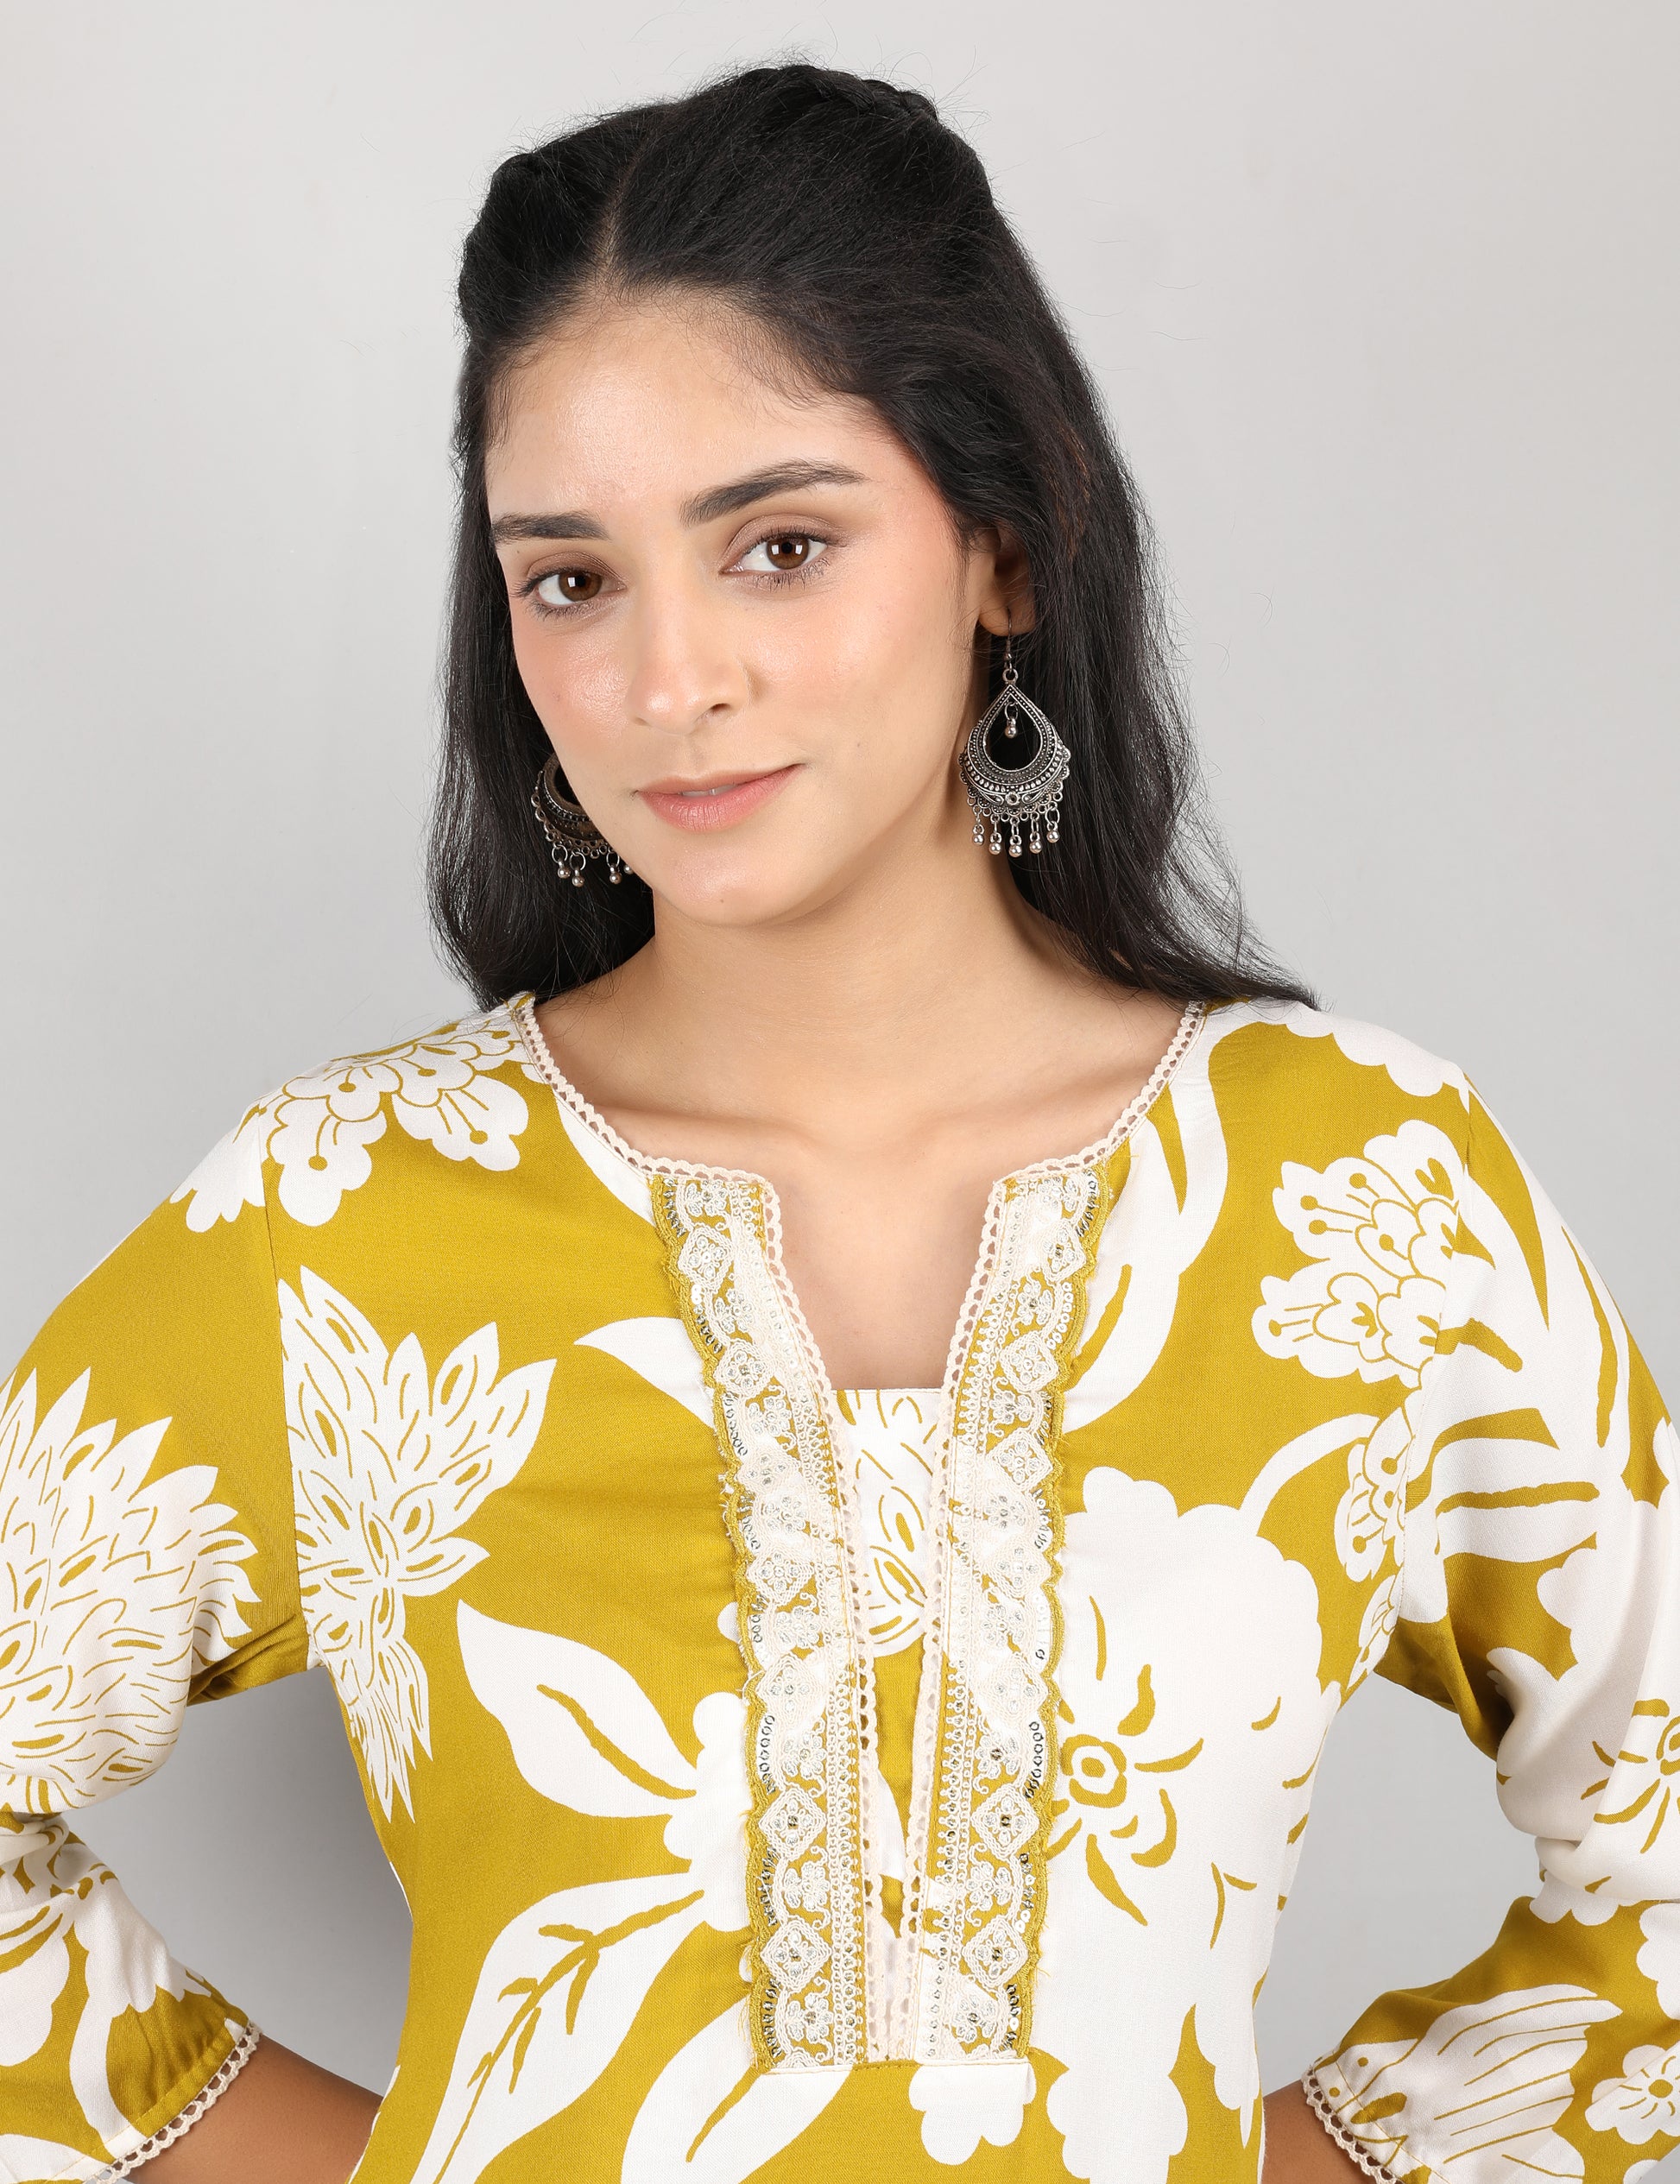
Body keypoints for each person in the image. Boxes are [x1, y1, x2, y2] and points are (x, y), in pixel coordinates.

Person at [3, 59, 1675, 2184]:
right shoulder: (344, 1215)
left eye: (777, 545)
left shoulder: (1363, 1191)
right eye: (570, 579)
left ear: (1005, 548)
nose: (665, 680)